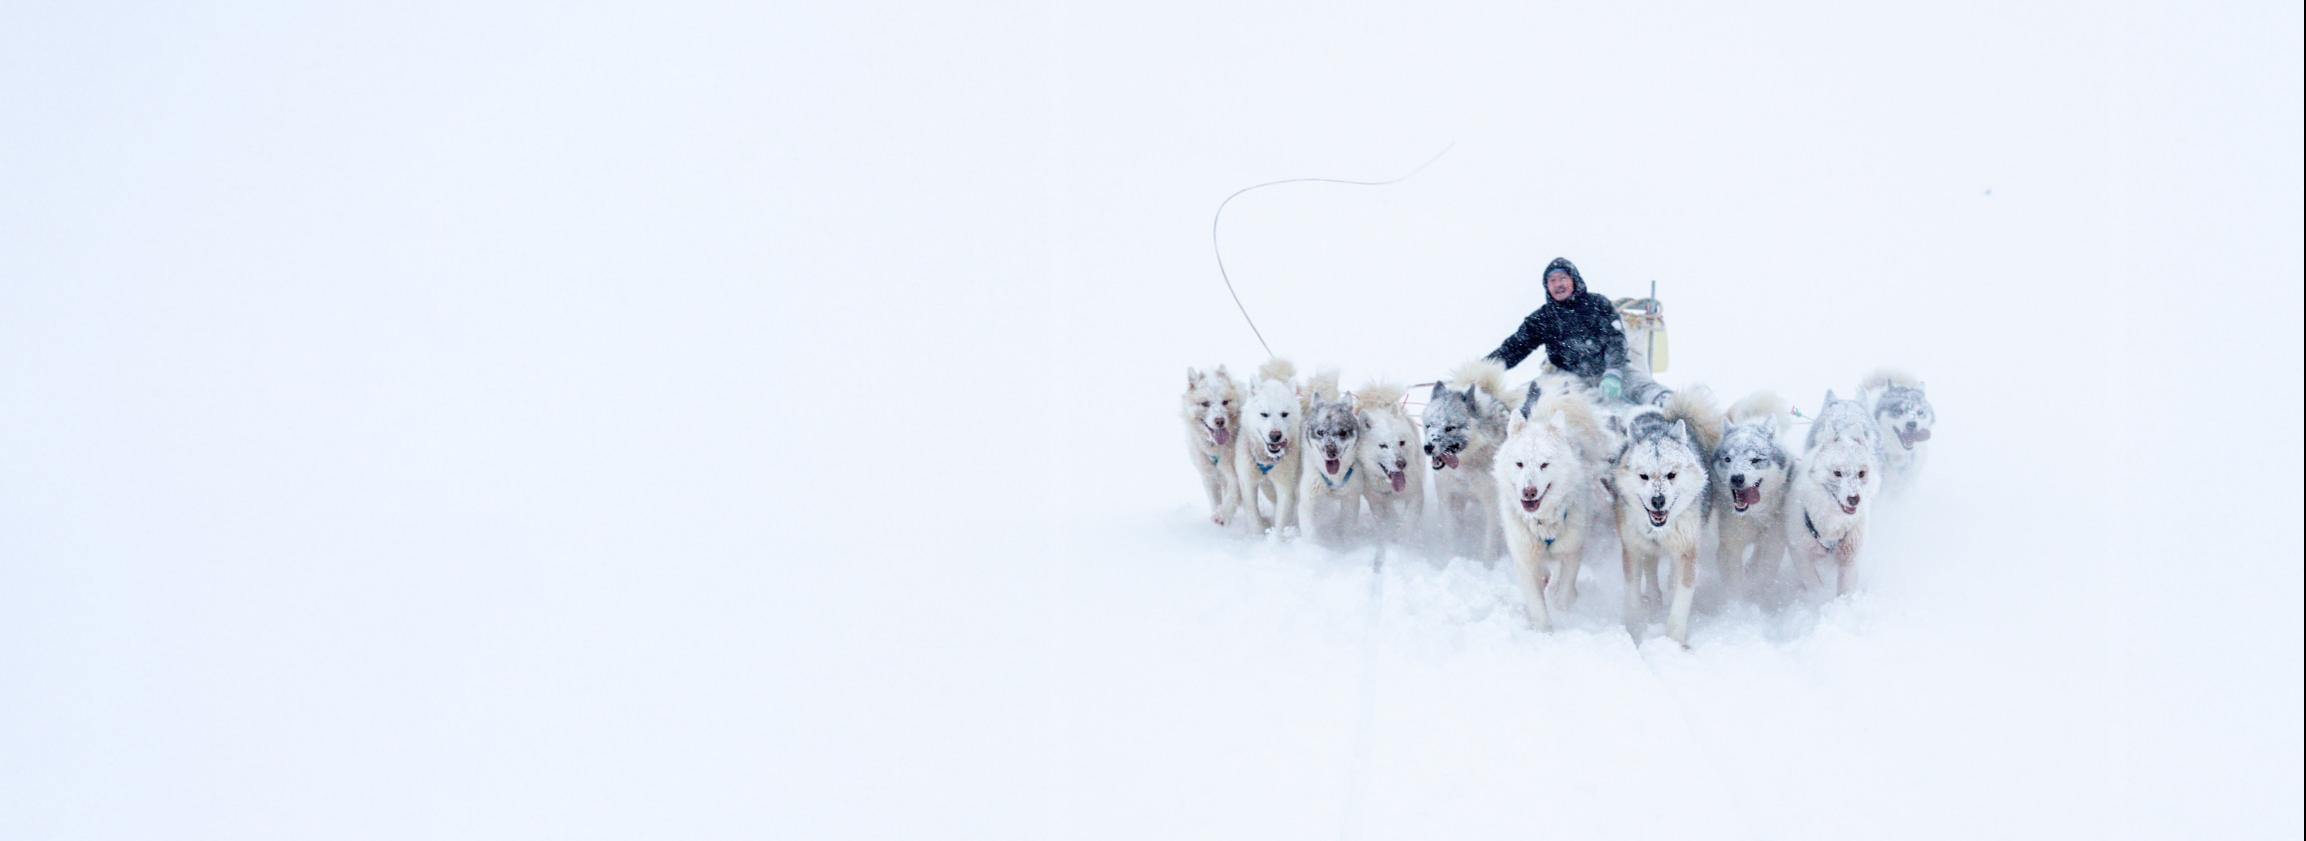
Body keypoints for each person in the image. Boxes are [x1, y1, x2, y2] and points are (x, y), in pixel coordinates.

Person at [1484, 257, 1672, 406]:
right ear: (1547, 287)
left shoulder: (1598, 304)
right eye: (1552, 280)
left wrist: (1613, 373)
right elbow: (1514, 348)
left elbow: (1615, 341)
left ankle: (1670, 409)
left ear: (1574, 280)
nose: (1558, 284)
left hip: (1610, 371)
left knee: (1644, 387)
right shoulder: (1544, 317)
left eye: (1563, 278)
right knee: (1528, 396)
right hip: (1567, 376)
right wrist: (1482, 371)